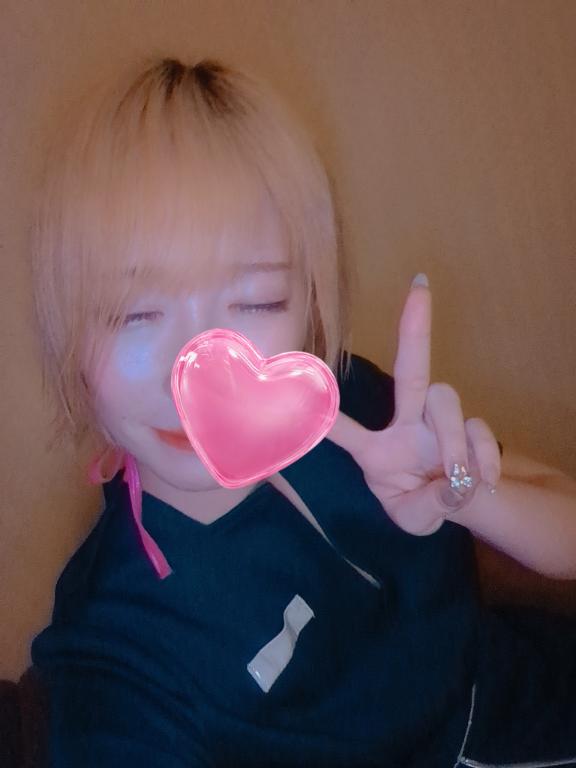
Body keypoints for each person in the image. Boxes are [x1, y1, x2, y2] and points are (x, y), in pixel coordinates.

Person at [26, 57, 576, 767]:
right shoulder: (115, 648)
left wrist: (465, 495)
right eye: (132, 312)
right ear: (68, 333)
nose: (198, 371)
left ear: (308, 304)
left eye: (255, 301)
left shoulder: (347, 402)